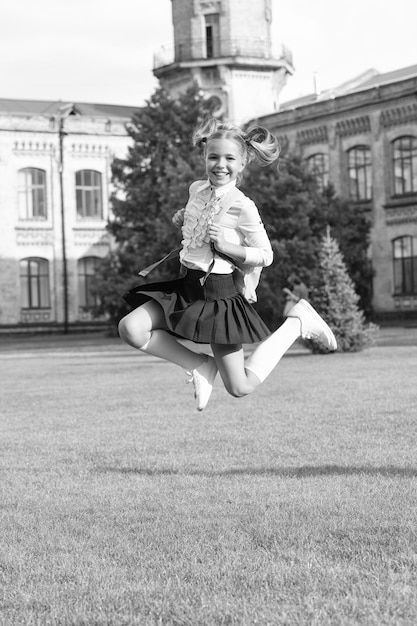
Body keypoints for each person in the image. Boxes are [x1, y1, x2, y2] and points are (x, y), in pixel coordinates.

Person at [118, 118, 337, 411]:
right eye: (213, 157)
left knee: (240, 387)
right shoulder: (196, 189)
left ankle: (297, 323)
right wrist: (183, 217)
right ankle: (199, 365)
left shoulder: (242, 205)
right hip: (186, 287)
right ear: (204, 158)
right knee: (131, 328)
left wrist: (228, 247)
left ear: (243, 163)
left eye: (230, 158)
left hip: (218, 297)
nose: (220, 164)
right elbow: (197, 224)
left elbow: (266, 254)